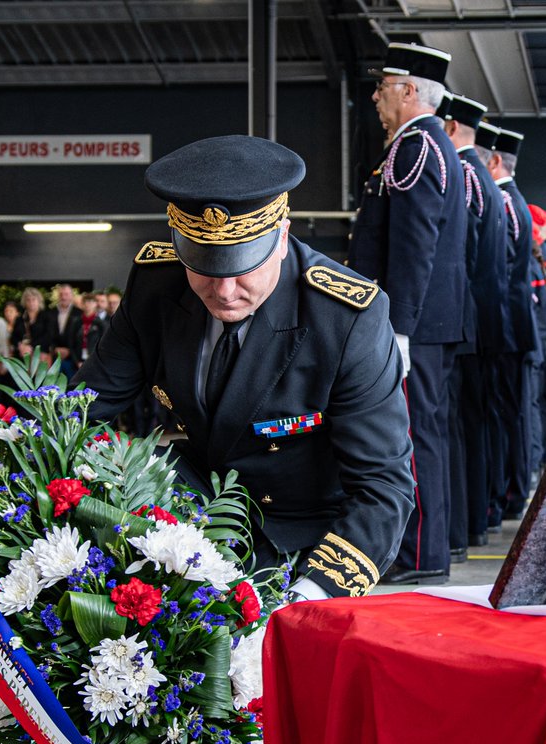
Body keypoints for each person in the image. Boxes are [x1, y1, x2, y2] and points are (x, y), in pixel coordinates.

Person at [75, 135, 415, 601]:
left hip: (297, 536)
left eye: (243, 267)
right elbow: (79, 410)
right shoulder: (156, 285)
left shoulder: (346, 318)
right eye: (205, 267)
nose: (224, 290)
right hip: (186, 515)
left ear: (282, 238)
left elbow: (383, 486)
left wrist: (310, 596)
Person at [345, 42, 466, 585]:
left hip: (416, 323)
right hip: (425, 320)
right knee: (422, 432)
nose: (376, 97)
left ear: (409, 91)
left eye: (383, 87)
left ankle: (419, 554)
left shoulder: (416, 148)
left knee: (413, 435)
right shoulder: (420, 146)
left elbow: (415, 247)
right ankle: (426, 550)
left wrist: (400, 330)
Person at [438, 92, 508, 556]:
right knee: (471, 425)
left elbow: (460, 254)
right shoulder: (481, 176)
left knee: (459, 427)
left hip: (464, 320)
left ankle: (462, 528)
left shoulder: (462, 174)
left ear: (449, 127)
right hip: (481, 320)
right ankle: (473, 523)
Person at [477, 121, 539, 524]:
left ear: (496, 161)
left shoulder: (503, 202)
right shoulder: (514, 201)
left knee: (504, 414)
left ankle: (506, 493)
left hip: (507, 325)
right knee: (510, 413)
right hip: (514, 325)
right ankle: (512, 491)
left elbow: (500, 268)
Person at [11, 287, 54, 361]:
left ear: (39, 301)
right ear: (24, 302)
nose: (31, 302)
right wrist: (20, 346)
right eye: (28, 300)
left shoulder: (46, 317)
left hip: (40, 355)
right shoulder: (20, 319)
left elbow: (48, 336)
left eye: (33, 299)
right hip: (21, 355)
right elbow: (13, 337)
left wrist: (31, 347)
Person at [51, 284, 83, 378]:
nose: (63, 297)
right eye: (61, 294)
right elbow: (48, 333)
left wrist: (69, 350)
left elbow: (80, 336)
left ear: (72, 296)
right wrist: (54, 348)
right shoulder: (50, 312)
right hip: (54, 357)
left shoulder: (79, 313)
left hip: (73, 358)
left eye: (66, 294)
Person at [69, 292, 107, 367]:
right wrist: (76, 361)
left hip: (94, 361)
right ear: (82, 304)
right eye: (85, 302)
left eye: (90, 302)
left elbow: (103, 344)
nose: (87, 304)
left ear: (95, 304)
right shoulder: (76, 322)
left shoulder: (101, 323)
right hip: (78, 361)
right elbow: (71, 343)